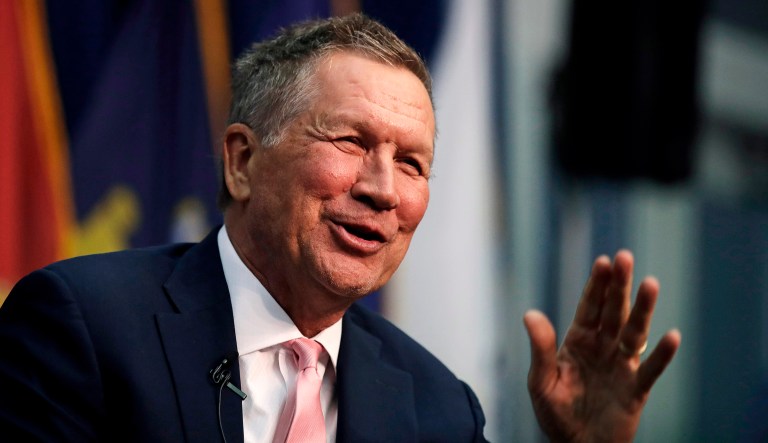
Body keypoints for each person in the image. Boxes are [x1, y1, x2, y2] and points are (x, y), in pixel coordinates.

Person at [0, 13, 680, 443]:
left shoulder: (438, 408)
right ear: (241, 161)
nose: (383, 190)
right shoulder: (83, 325)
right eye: (352, 141)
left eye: (412, 163)